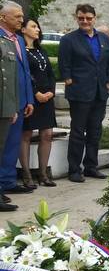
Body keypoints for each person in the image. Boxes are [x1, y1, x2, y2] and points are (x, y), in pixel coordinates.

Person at [58, 4, 109, 183]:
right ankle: (74, 169)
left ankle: (91, 166)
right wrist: (68, 80)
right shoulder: (69, 39)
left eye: (88, 18)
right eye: (81, 18)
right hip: (79, 92)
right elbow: (64, 63)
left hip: (100, 91)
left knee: (95, 131)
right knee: (78, 131)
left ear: (94, 18)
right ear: (77, 18)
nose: (85, 21)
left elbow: (108, 63)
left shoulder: (103, 38)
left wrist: (108, 81)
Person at [19, 17, 57, 188]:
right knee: (26, 134)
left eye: (38, 27)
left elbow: (50, 74)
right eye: (33, 26)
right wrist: (36, 93)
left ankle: (43, 174)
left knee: (47, 134)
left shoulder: (41, 51)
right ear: (23, 30)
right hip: (30, 98)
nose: (37, 30)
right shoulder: (20, 50)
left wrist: (51, 92)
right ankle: (27, 175)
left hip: (46, 98)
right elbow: (25, 75)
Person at [0, 3, 33, 196]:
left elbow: (25, 72)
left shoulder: (19, 40)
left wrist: (29, 99)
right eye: (17, 17)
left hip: (20, 100)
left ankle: (8, 180)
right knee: (2, 144)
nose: (22, 20)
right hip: (5, 102)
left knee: (12, 143)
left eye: (22, 16)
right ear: (3, 17)